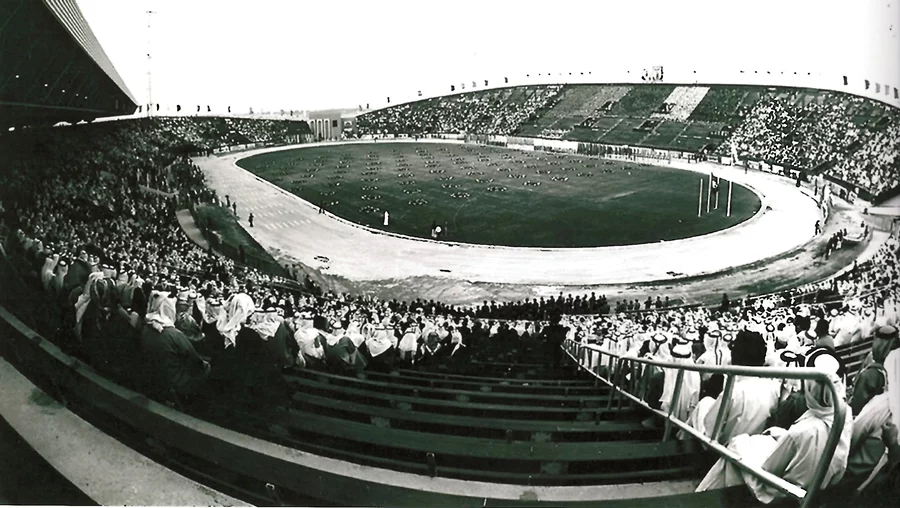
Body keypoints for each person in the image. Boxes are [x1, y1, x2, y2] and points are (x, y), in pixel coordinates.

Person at [703, 331, 780, 444]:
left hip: (728, 448)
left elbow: (710, 429)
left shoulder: (732, 392)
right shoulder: (774, 388)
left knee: (704, 403)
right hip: (758, 445)